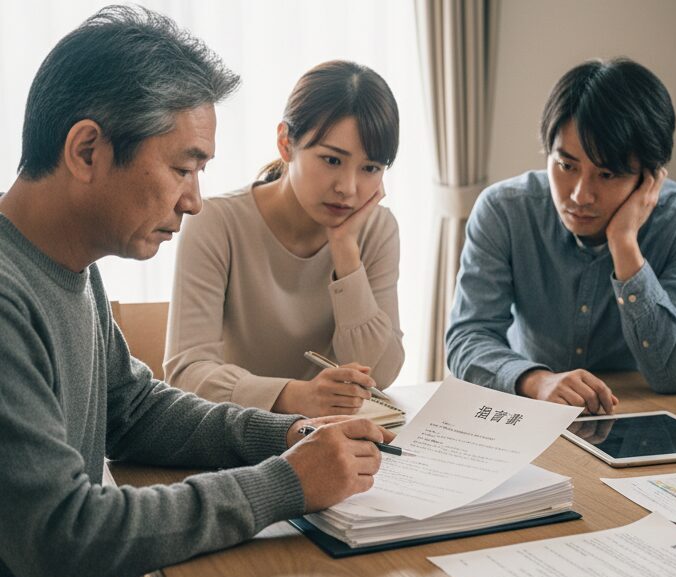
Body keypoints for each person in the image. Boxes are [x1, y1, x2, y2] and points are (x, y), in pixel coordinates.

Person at [0, 7, 393, 576]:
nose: (194, 200)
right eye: (184, 169)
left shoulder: (72, 265)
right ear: (87, 151)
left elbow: (133, 409)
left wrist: (287, 434)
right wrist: (284, 482)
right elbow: (63, 535)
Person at [446, 58, 676, 415]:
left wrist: (624, 245)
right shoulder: (504, 210)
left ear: (650, 176)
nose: (579, 195)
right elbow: (467, 339)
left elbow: (674, 373)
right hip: (529, 409)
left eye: (606, 174)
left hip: (632, 416)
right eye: (566, 166)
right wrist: (537, 381)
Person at [164, 60, 404, 418]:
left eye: (370, 168)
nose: (348, 189)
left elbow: (380, 375)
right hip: (235, 435)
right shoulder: (216, 222)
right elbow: (186, 374)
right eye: (332, 160)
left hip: (331, 438)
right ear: (285, 143)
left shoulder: (376, 230)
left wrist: (345, 251)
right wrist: (294, 396)